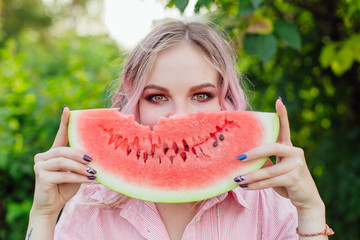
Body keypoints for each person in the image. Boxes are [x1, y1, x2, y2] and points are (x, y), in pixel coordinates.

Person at [26, 21, 333, 240]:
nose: (179, 117)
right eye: (157, 97)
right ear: (135, 103)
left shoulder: (266, 203)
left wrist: (309, 210)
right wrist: (43, 217)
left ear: (225, 101)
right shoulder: (90, 203)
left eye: (201, 95)